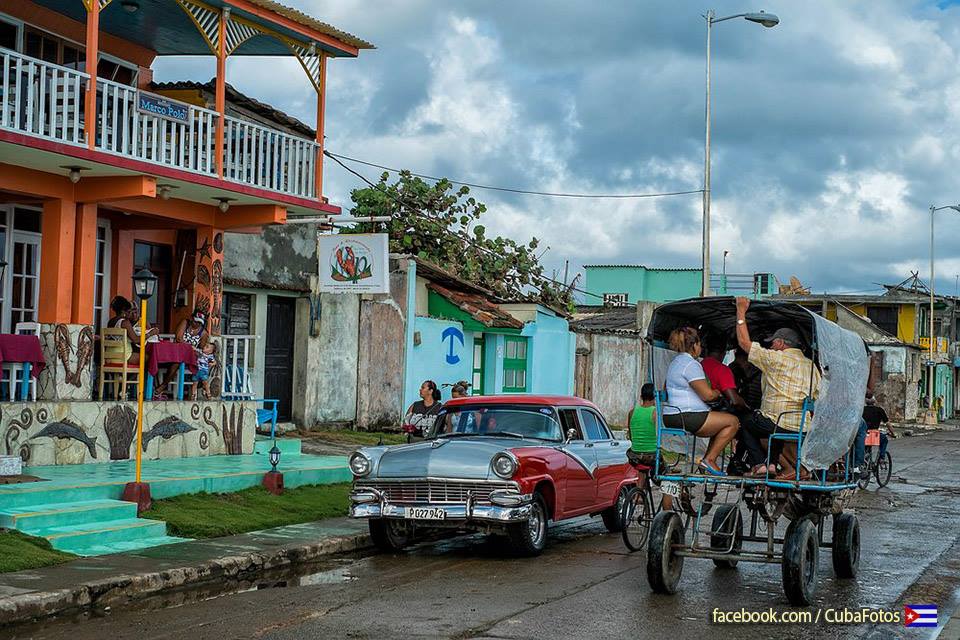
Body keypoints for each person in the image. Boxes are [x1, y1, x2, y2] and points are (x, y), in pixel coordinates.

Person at [735, 297, 821, 480]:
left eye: (773, 343)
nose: (771, 346)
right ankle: (772, 464)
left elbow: (744, 343)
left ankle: (759, 465)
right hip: (801, 427)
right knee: (770, 422)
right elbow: (817, 396)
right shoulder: (811, 366)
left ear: (782, 343)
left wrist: (741, 310)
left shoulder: (775, 359)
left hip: (778, 423)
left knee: (744, 421)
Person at [661, 326, 739, 476]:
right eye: (699, 345)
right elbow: (708, 396)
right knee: (733, 422)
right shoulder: (691, 364)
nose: (701, 348)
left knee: (720, 421)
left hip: (672, 415)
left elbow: (666, 388)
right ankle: (709, 459)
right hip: (688, 416)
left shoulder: (675, 362)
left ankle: (707, 460)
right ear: (694, 345)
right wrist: (718, 392)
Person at [727, 346, 763, 475]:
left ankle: (743, 461)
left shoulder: (755, 370)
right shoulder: (734, 370)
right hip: (740, 411)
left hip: (748, 411)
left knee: (748, 425)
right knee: (747, 425)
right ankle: (752, 462)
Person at [108, 296, 160, 365]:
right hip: (123, 356)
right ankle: (137, 376)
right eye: (129, 312)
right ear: (123, 311)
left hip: (109, 355)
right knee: (150, 358)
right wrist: (151, 333)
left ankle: (131, 375)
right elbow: (136, 340)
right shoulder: (124, 322)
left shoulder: (111, 321)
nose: (130, 314)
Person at [855, 393, 896, 468]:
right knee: (884, 439)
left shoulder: (861, 410)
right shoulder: (879, 410)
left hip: (862, 435)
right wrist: (893, 433)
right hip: (874, 436)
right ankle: (882, 457)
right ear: (874, 401)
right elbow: (888, 424)